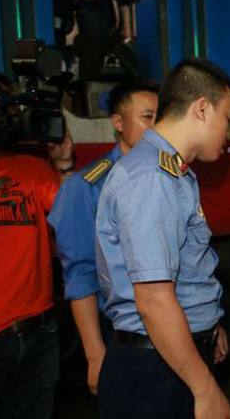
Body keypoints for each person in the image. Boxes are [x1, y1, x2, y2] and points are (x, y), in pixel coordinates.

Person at [95, 58, 230, 419]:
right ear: (202, 109)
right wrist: (205, 389)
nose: (228, 131)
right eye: (228, 118)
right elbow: (154, 299)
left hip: (169, 355)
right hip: (155, 368)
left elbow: (184, 267)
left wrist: (208, 323)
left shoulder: (172, 171)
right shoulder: (152, 178)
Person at [48, 79, 158, 395]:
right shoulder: (85, 187)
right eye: (147, 117)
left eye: (159, 117)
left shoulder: (167, 177)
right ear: (118, 123)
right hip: (124, 335)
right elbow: (81, 275)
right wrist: (95, 356)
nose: (155, 127)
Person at [0, 74, 74, 418]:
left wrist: (63, 165)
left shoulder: (31, 169)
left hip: (40, 331)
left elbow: (74, 223)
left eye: (10, 107)